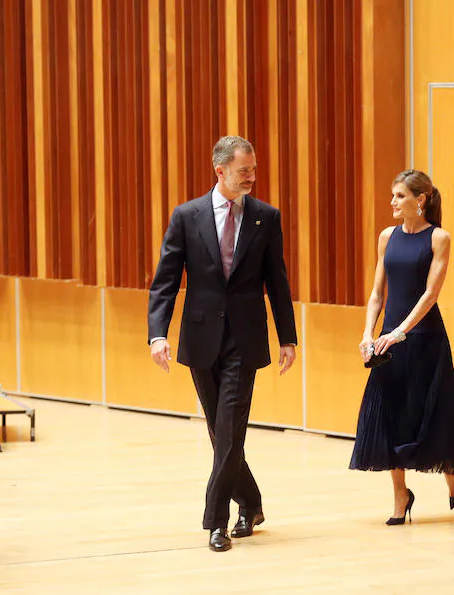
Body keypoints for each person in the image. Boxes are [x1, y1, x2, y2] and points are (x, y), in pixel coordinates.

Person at [147, 136, 297, 552]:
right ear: (220, 171)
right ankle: (251, 502)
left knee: (230, 428)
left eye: (253, 169)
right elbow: (165, 281)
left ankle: (217, 521)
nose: (251, 177)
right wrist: (158, 334)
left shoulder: (266, 217)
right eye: (243, 170)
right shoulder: (187, 215)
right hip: (200, 336)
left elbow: (277, 281)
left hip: (245, 339)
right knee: (220, 432)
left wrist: (288, 336)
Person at [350, 169, 454, 524]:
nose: (393, 202)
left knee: (434, 412)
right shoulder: (387, 236)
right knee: (390, 414)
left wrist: (400, 331)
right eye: (393, 195)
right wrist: (369, 334)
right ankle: (401, 496)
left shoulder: (439, 238)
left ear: (421, 199)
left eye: (399, 196)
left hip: (425, 338)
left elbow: (431, 294)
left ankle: (452, 474)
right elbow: (376, 293)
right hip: (388, 341)